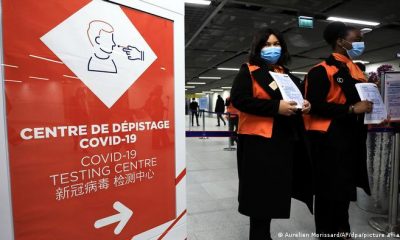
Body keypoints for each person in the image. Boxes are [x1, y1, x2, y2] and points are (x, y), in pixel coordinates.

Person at [230, 27, 313, 240]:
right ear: (257, 48)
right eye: (267, 44)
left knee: (273, 194)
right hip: (258, 143)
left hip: (283, 142)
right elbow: (240, 100)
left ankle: (263, 234)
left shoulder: (287, 75)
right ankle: (259, 236)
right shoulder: (248, 71)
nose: (272, 48)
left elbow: (298, 100)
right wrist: (276, 107)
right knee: (259, 197)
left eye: (276, 44)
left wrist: (305, 105)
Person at [304, 21, 372, 239]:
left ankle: (343, 229)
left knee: (344, 190)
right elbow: (314, 105)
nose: (361, 43)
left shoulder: (357, 71)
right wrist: (351, 109)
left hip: (352, 138)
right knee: (327, 192)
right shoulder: (321, 71)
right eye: (357, 39)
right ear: (340, 41)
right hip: (329, 141)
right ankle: (326, 233)